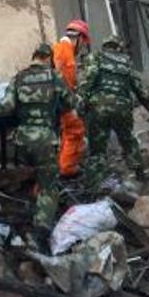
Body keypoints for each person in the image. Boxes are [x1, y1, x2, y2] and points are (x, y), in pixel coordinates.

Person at [0, 44, 75, 250]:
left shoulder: (18, 77)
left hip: (22, 142)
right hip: (45, 140)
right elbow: (70, 102)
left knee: (33, 178)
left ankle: (26, 217)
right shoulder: (54, 77)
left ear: (33, 57)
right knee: (49, 186)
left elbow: (4, 107)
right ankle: (40, 232)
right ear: (49, 58)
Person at [80, 35, 149, 189]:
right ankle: (140, 174)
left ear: (105, 46)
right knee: (128, 140)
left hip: (99, 107)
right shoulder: (126, 61)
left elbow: (88, 80)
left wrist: (83, 102)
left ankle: (93, 185)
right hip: (122, 108)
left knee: (97, 147)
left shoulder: (95, 57)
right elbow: (139, 89)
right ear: (118, 47)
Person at [53, 18, 90, 179]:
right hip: (59, 101)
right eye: (83, 43)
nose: (82, 47)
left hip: (57, 100)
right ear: (80, 38)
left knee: (66, 133)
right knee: (76, 129)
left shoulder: (61, 49)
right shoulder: (64, 51)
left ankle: (63, 164)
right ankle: (66, 168)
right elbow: (60, 79)